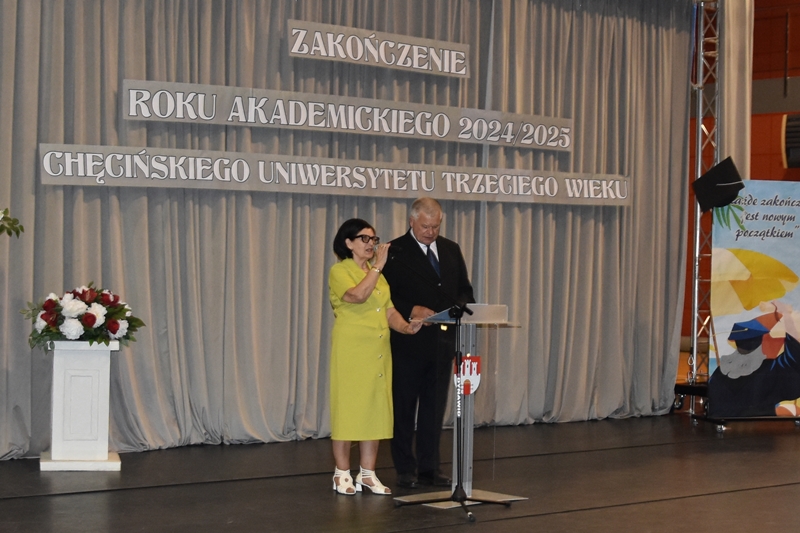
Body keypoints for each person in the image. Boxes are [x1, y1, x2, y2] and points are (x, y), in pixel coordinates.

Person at [381, 197, 475, 489]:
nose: (431, 232)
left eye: (435, 226)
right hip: (407, 343)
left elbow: (464, 290)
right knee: (404, 408)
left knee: (434, 410)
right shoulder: (395, 252)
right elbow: (384, 296)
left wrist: (459, 308)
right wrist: (412, 309)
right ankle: (405, 469)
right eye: (425, 226)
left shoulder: (450, 249)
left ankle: (429, 468)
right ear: (411, 221)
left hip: (442, 343)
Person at [328, 218, 422, 496]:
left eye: (374, 239)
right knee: (348, 410)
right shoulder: (340, 271)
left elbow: (389, 310)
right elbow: (357, 295)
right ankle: (341, 473)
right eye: (364, 238)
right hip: (351, 350)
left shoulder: (377, 275)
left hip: (378, 351)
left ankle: (367, 474)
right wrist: (378, 266)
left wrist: (407, 327)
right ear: (348, 243)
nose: (371, 244)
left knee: (374, 410)